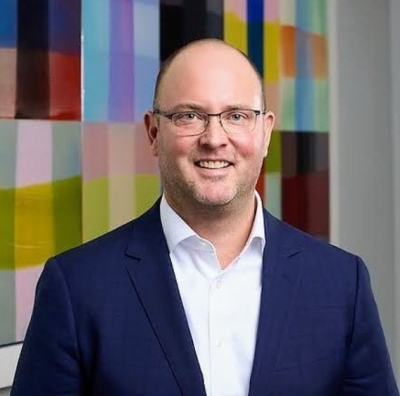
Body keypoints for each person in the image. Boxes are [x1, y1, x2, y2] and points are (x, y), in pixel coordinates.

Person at [11, 38, 399, 396]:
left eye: (236, 116)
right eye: (190, 116)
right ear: (153, 133)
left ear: (265, 133)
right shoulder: (76, 287)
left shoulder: (342, 283)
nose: (214, 138)